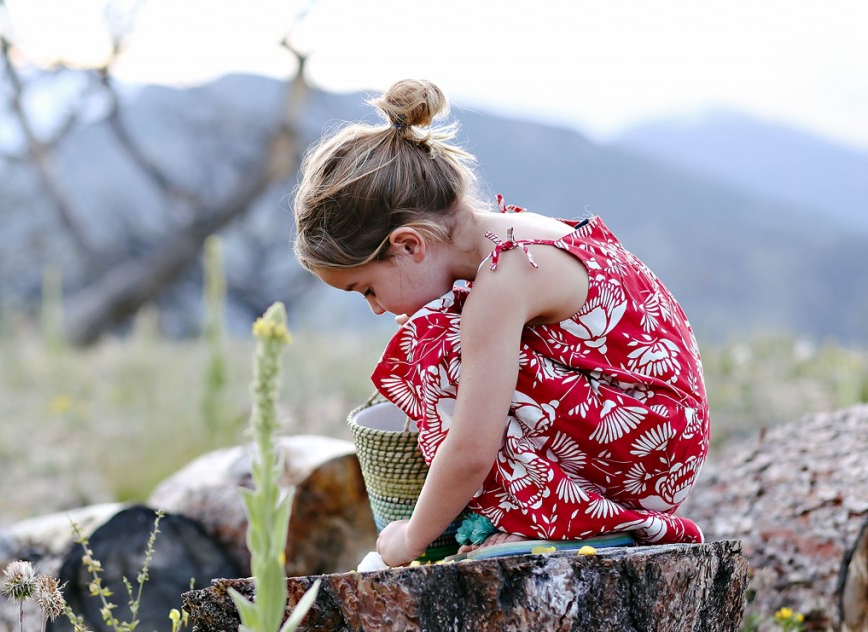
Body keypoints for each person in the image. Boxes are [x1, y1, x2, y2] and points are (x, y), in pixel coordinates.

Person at [292, 79, 709, 567]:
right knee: (451, 337)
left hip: (642, 452)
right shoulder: (517, 236)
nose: (377, 308)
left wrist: (410, 540)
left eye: (367, 288)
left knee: (441, 354)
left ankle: (567, 522)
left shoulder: (502, 283)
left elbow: (471, 447)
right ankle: (537, 510)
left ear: (409, 245)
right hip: (662, 440)